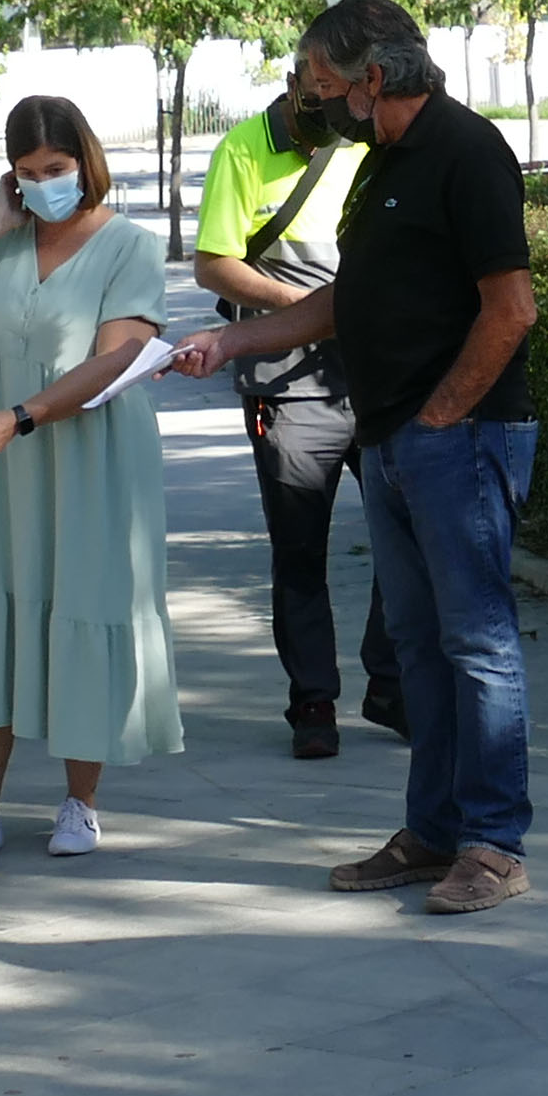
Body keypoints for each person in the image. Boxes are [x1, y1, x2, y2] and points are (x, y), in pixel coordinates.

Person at [176, 0, 539, 914]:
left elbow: (512, 310)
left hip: (457, 438)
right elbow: (346, 301)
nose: (313, 100)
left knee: (478, 645)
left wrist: (440, 418)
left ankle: (493, 845)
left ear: (372, 77)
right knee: (418, 646)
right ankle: (434, 831)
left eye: (323, 84)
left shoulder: (466, 151)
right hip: (394, 440)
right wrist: (232, 339)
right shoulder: (378, 162)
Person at [0, 94, 180, 865]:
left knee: (80, 603)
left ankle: (80, 803)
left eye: (55, 168)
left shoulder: (130, 246)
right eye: (27, 171)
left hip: (87, 455)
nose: (43, 182)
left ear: (85, 161)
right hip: (0, 467)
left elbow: (117, 358)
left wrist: (21, 416)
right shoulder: (2, 241)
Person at [191, 89, 400, 759]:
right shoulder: (244, 149)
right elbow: (213, 263)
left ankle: (391, 681)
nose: (329, 101)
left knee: (410, 535)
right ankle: (313, 699)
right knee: (300, 549)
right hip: (288, 387)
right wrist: (309, 309)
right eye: (316, 87)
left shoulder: (372, 137)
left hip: (378, 379)